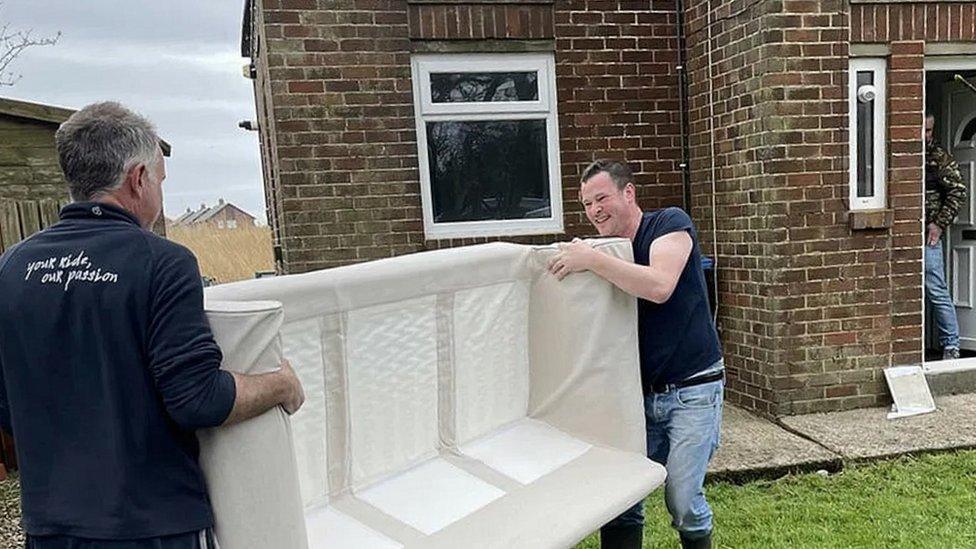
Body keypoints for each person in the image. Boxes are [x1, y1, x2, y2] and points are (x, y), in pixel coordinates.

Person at [0, 102, 306, 549]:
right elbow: (197, 399)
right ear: (138, 178)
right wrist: (281, 384)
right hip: (152, 529)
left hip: (50, 529)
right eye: (161, 180)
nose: (159, 192)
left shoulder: (11, 267)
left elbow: (6, 406)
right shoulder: (163, 263)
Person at [548, 159, 723, 549]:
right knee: (620, 497)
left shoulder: (668, 225)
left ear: (628, 193)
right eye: (587, 204)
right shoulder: (604, 252)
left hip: (693, 388)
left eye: (601, 198)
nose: (594, 210)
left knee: (682, 499)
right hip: (636, 394)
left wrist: (591, 260)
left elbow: (660, 285)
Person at [924, 114, 966, 360]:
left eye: (929, 131)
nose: (926, 136)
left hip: (927, 235)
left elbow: (958, 192)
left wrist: (938, 224)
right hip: (903, 230)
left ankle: (951, 345)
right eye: (923, 130)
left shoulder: (939, 158)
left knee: (936, 288)